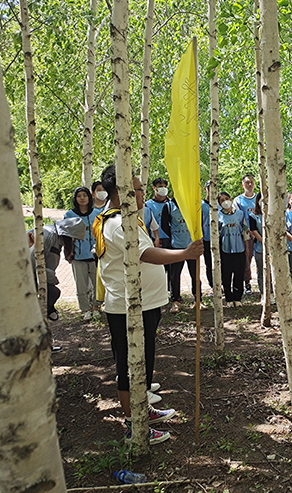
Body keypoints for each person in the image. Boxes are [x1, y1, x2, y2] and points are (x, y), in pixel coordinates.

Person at [95, 165, 203, 444]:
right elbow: (146, 254)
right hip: (128, 307)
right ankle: (135, 426)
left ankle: (143, 410)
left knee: (142, 362)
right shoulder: (117, 223)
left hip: (144, 304)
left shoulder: (129, 219)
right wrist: (185, 253)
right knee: (130, 365)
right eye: (139, 188)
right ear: (122, 192)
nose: (143, 192)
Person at [64, 187, 101, 320]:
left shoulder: (97, 213)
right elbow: (66, 236)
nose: (82, 198)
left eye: (85, 195)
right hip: (78, 256)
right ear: (75, 199)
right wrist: (68, 253)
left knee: (97, 283)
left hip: (95, 255)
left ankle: (96, 307)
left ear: (89, 197)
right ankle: (85, 309)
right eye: (79, 196)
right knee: (81, 284)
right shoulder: (69, 215)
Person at [162, 195, 203, 312]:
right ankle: (175, 301)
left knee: (195, 274)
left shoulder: (192, 205)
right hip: (176, 247)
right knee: (174, 275)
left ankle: (198, 300)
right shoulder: (169, 206)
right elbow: (165, 225)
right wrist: (173, 237)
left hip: (192, 245)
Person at [218, 192, 247, 307]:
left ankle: (238, 297)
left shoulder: (240, 214)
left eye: (227, 198)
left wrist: (247, 248)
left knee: (239, 274)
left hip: (239, 248)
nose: (225, 201)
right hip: (225, 249)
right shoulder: (217, 215)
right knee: (226, 274)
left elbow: (245, 231)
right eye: (222, 200)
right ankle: (229, 298)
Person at [145, 178, 172, 291]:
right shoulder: (148, 205)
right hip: (156, 241)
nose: (163, 189)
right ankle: (158, 291)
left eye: (164, 186)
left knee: (171, 269)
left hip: (171, 240)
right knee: (158, 269)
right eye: (160, 186)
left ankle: (171, 292)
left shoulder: (172, 204)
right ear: (154, 188)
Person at [233, 174, 258, 295]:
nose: (250, 184)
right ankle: (247, 283)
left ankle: (264, 281)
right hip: (246, 234)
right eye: (247, 182)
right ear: (243, 185)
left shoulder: (259, 198)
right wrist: (247, 230)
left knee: (261, 257)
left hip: (259, 233)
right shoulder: (238, 200)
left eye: (251, 182)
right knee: (246, 258)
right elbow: (237, 217)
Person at [249, 193, 265, 294]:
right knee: (261, 271)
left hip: (275, 248)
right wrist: (264, 241)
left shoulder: (274, 213)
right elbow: (254, 230)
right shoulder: (253, 215)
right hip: (260, 248)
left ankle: (274, 292)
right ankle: (264, 293)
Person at [202, 182, 213, 291]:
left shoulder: (220, 203)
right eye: (210, 187)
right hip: (206, 239)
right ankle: (212, 285)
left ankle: (222, 283)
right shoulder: (201, 205)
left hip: (220, 239)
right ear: (206, 189)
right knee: (209, 263)